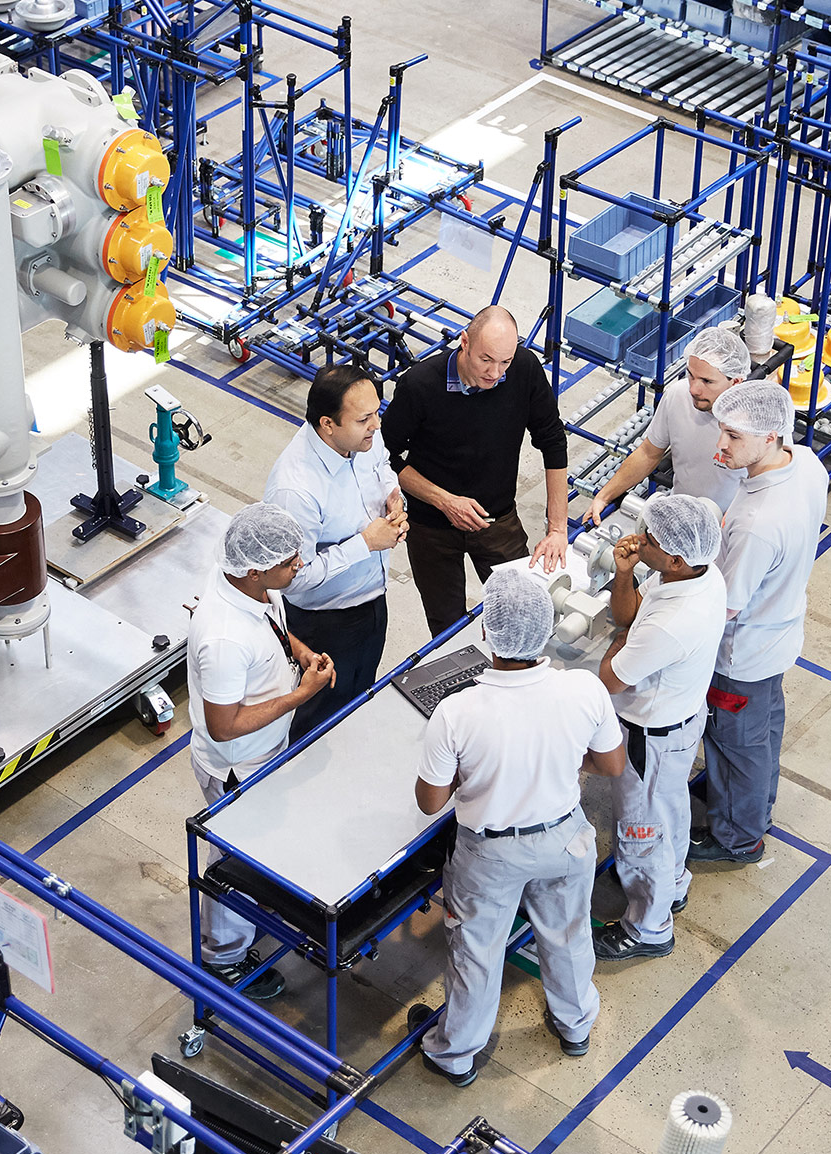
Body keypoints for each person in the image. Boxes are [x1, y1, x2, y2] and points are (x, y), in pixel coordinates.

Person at [407, 569, 625, 1086]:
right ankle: (575, 1024)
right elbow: (612, 765)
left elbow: (428, 801)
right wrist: (560, 765)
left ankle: (456, 1053)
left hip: (491, 856)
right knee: (569, 934)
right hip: (565, 838)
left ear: (487, 632)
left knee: (477, 953)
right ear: (548, 628)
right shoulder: (583, 690)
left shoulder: (456, 712)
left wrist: (475, 774)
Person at [187, 503, 336, 998]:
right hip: (238, 767)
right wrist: (301, 695)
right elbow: (224, 725)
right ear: (255, 569)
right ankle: (223, 958)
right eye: (289, 562)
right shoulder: (225, 640)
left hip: (266, 750)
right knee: (234, 864)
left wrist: (299, 652)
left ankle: (255, 916)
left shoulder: (248, 584)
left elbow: (271, 623)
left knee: (263, 847)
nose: (298, 567)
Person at [688, 380, 827, 865]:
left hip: (740, 655)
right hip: (781, 631)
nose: (721, 446)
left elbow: (724, 606)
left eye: (735, 437)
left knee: (735, 746)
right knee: (763, 732)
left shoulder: (756, 522)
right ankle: (755, 810)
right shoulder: (806, 463)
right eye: (722, 431)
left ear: (770, 436)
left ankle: (737, 838)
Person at [381, 305, 570, 639]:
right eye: (486, 359)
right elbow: (385, 459)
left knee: (524, 610)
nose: (495, 373)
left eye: (505, 362)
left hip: (497, 521)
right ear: (464, 341)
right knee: (447, 629)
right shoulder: (420, 386)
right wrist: (444, 501)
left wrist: (557, 528)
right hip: (431, 529)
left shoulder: (524, 370)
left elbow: (553, 441)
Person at [593, 496, 727, 960]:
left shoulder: (673, 622)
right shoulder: (699, 575)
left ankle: (648, 927)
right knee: (668, 810)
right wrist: (626, 572)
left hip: (649, 737)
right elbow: (627, 618)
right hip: (678, 726)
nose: (638, 538)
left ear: (674, 557)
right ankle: (672, 883)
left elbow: (609, 678)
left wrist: (622, 643)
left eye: (647, 538)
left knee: (640, 831)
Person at [264, 365, 407, 738]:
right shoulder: (296, 490)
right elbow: (293, 580)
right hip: (326, 625)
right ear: (327, 424)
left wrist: (395, 499)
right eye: (364, 419)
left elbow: (383, 467)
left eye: (377, 413)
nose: (375, 426)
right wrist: (366, 544)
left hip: (372, 603)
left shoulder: (361, 439)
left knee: (360, 701)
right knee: (319, 719)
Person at [584, 325, 751, 521]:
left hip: (729, 530)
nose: (694, 389)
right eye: (691, 375)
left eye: (707, 381)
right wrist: (604, 496)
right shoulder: (678, 395)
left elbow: (770, 492)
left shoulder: (756, 424)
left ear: (736, 382)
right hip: (679, 518)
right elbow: (648, 453)